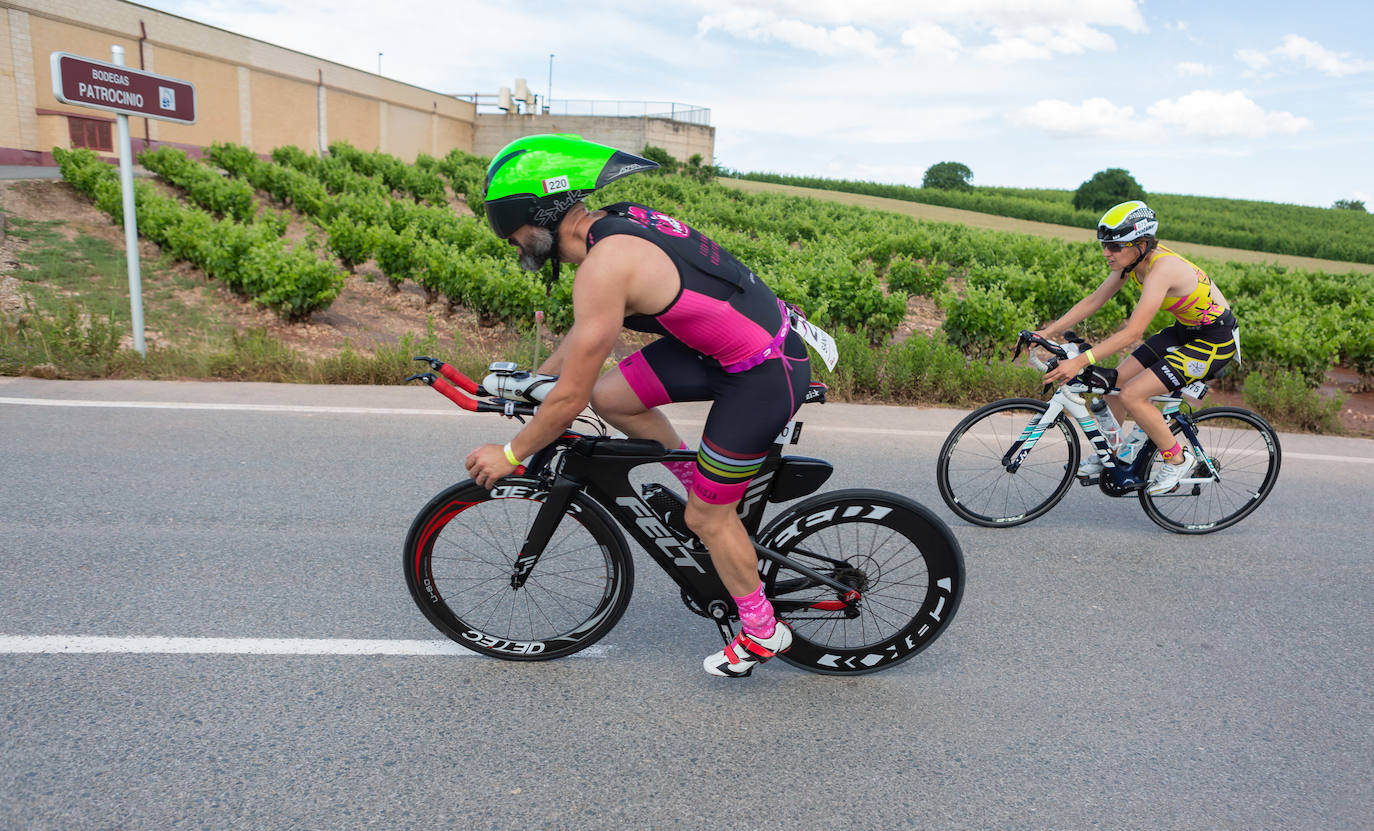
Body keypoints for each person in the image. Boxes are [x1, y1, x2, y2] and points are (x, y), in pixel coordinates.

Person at [463, 134, 814, 677]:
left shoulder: (604, 268)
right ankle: (696, 476)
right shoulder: (617, 222)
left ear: (536, 213)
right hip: (731, 346)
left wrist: (511, 454)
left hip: (763, 374)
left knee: (707, 517)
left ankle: (764, 631)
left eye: (512, 233)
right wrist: (530, 382)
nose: (515, 246)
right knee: (612, 397)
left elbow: (568, 400)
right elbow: (583, 352)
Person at [1036, 200, 1239, 495]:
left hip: (1215, 340)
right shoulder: (1132, 263)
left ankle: (1177, 459)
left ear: (1141, 244)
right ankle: (1119, 454)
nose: (1107, 253)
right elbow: (1094, 301)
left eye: (1115, 246)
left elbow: (1134, 332)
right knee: (1115, 384)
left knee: (1133, 394)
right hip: (1186, 331)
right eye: (1105, 245)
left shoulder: (1163, 268)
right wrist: (1047, 332)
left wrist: (1079, 362)